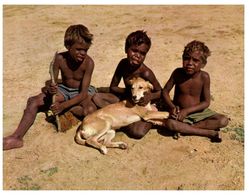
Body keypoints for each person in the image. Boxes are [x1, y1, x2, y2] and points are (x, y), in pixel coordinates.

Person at [3, 24, 97, 150]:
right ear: (68, 46)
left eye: (85, 50)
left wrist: (63, 106)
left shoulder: (89, 63)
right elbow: (52, 81)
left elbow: (83, 94)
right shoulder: (59, 59)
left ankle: (69, 110)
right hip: (64, 89)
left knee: (90, 110)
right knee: (33, 101)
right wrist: (51, 88)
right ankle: (17, 137)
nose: (83, 53)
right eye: (79, 49)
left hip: (80, 92)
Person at [93, 30, 162, 139]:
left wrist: (149, 96)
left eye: (142, 53)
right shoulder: (122, 64)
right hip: (128, 100)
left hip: (144, 106)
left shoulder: (146, 72)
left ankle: (124, 122)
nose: (137, 55)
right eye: (134, 50)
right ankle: (124, 120)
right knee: (97, 98)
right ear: (126, 49)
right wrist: (129, 92)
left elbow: (160, 91)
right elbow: (113, 87)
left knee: (137, 133)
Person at [162, 40, 229, 142]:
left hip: (198, 112)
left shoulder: (204, 77)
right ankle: (208, 133)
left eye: (195, 60)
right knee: (170, 124)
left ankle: (188, 128)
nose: (190, 63)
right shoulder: (177, 73)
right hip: (179, 113)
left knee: (223, 120)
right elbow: (165, 91)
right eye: (186, 58)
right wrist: (172, 107)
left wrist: (187, 111)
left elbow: (206, 102)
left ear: (203, 64)